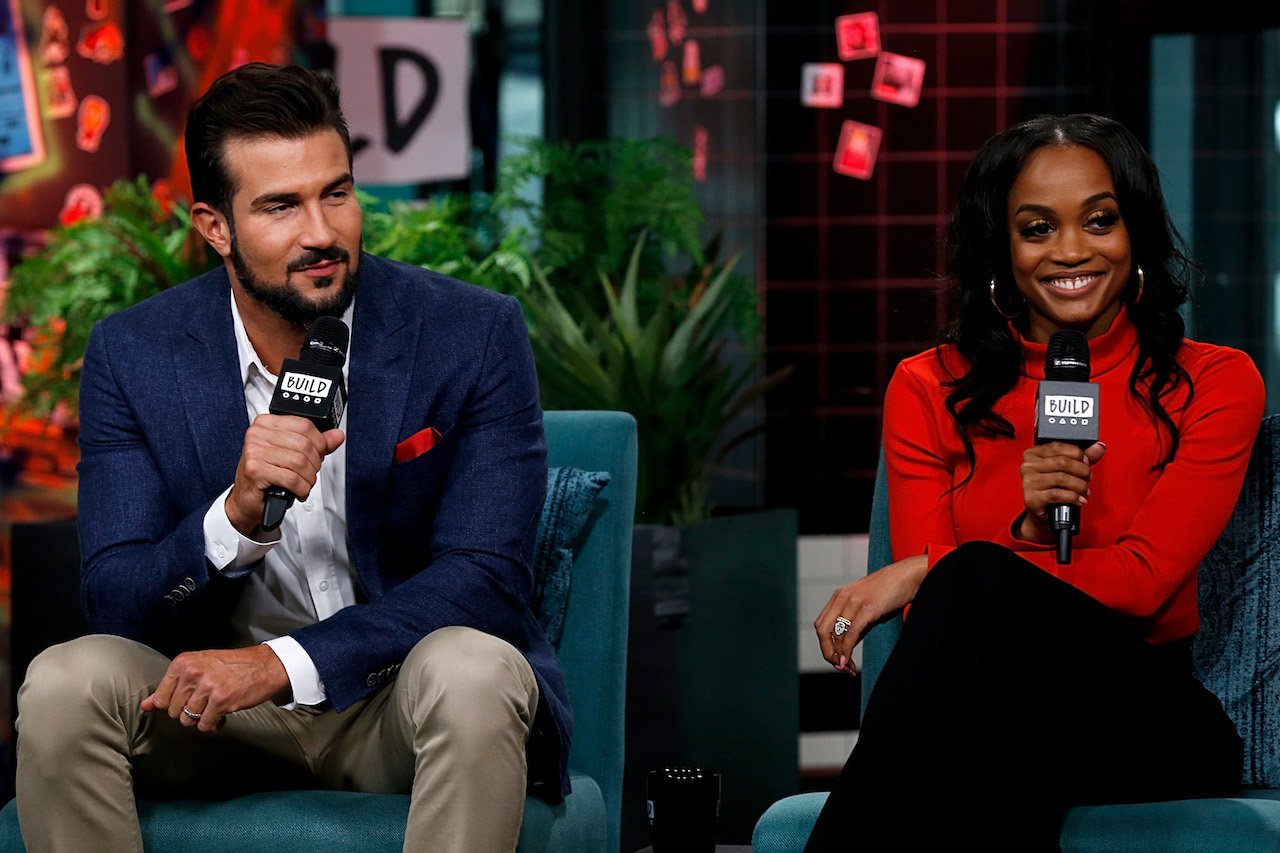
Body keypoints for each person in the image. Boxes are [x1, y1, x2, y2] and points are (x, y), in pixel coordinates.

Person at [14, 62, 569, 853]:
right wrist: (231, 519)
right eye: (280, 205)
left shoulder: (469, 334)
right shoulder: (134, 354)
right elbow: (116, 599)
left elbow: (486, 579)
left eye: (335, 193)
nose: (322, 232)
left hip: (397, 702)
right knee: (69, 681)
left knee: (475, 666)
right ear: (214, 226)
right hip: (216, 720)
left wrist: (280, 662)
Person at [806, 113, 1265, 851]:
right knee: (985, 691)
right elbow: (954, 618)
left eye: (1099, 220)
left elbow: (1144, 580)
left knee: (972, 583)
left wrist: (926, 565)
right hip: (993, 703)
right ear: (1002, 248)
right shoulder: (927, 387)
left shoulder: (1214, 381)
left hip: (1146, 709)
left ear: (1135, 232)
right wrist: (1013, 538)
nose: (1072, 250)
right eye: (1037, 228)